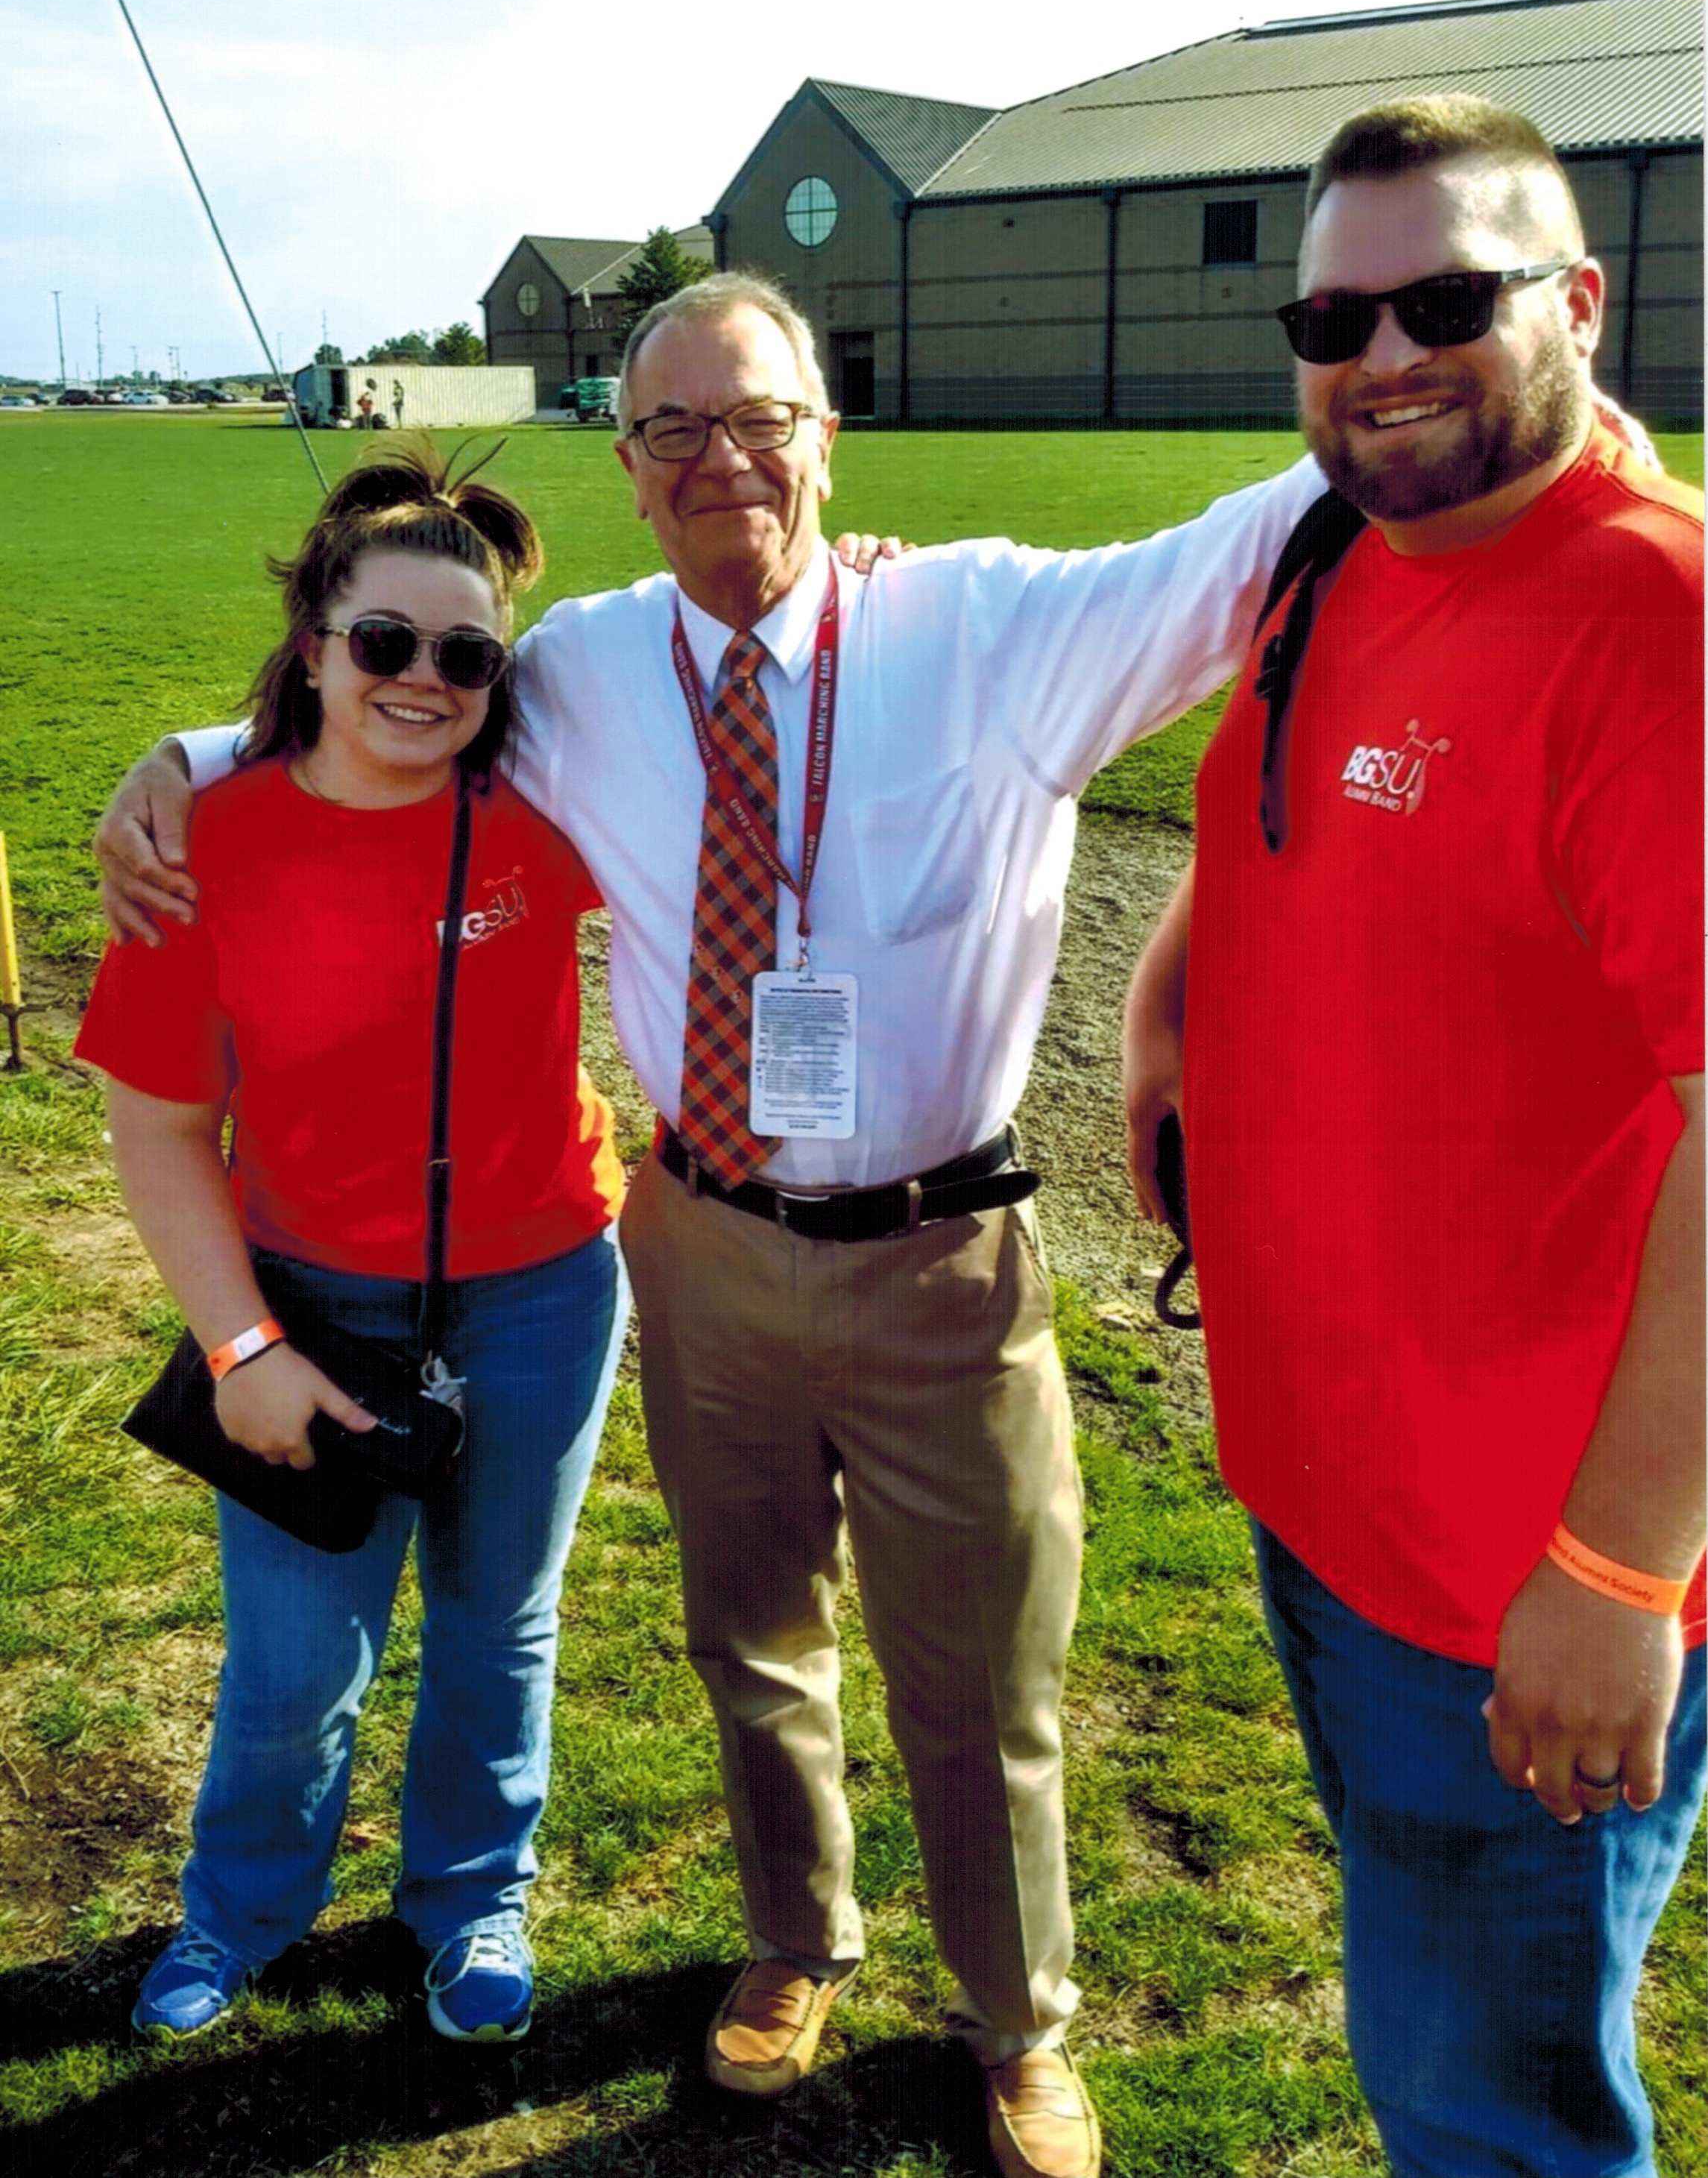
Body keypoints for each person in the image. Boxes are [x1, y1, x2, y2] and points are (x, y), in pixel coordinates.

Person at [97, 274, 1332, 2178]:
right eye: (674, 427)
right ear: (629, 463)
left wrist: (1480, 381)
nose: (719, 458)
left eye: (758, 417)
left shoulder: (991, 622)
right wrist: (181, 762)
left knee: (980, 1670)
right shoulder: (576, 668)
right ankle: (793, 1941)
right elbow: (377, 705)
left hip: (941, 1246)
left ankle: (1017, 2024)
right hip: (697, 1237)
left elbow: (1256, 544)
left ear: (826, 435)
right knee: (752, 1634)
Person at [1122, 98, 1704, 2178]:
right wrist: (1161, 1010)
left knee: (1490, 2118)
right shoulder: (1341, 547)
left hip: (1509, 1571)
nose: (1380, 356)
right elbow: (1271, 800)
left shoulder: (1651, 622)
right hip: (1323, 1499)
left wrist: (1618, 1569)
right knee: (1428, 2049)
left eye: (1442, 300)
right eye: (1333, 312)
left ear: (1576, 301)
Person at [76, 445, 626, 2048]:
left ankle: (472, 1892)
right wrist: (245, 1349)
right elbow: (160, 1130)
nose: (422, 678)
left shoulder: (545, 816)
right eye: (383, 639)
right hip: (310, 1301)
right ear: (314, 639)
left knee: (498, 1616)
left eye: (466, 653)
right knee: (299, 1653)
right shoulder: (202, 849)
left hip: (541, 1292)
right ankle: (238, 1908)